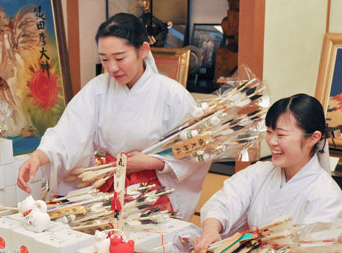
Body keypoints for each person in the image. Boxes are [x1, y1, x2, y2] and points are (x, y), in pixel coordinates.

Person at [16, 13, 210, 219]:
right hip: (103, 189)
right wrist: (39, 156)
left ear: (143, 50)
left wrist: (152, 162)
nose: (112, 68)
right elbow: (69, 131)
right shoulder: (97, 89)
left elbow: (197, 149)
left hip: (150, 196)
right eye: (104, 59)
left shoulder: (172, 95)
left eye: (120, 58)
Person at [194, 93, 342, 253]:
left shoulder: (327, 196)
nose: (272, 141)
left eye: (281, 135)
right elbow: (224, 202)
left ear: (313, 138)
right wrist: (210, 230)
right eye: (269, 132)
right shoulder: (259, 173)